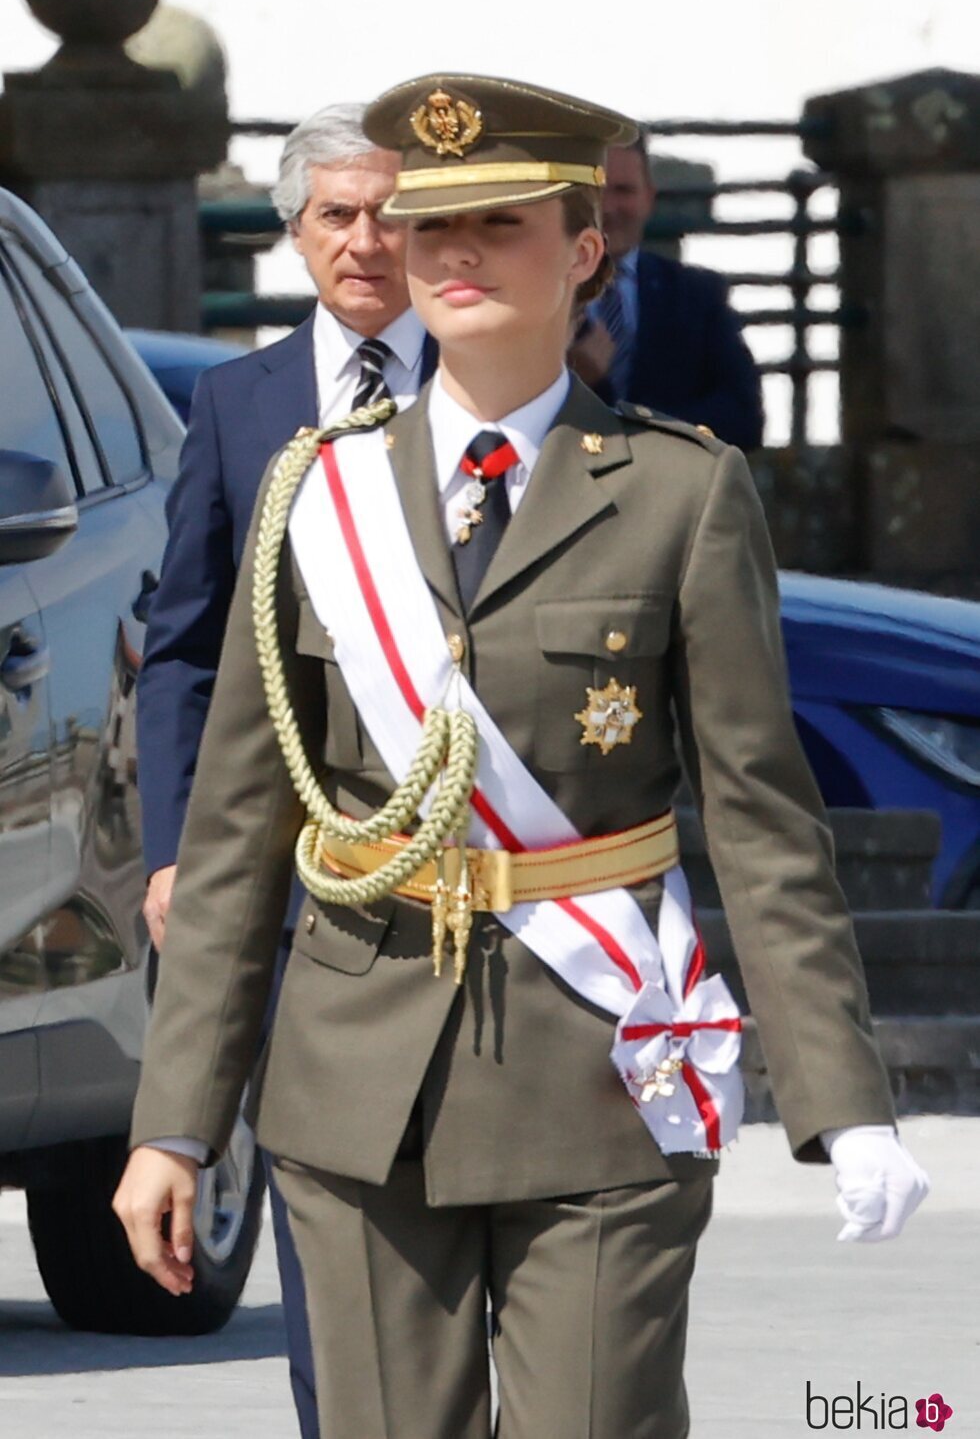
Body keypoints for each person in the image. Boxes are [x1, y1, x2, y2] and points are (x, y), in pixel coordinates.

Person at [115, 74, 928, 1439]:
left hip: (601, 1077)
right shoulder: (317, 493)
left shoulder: (680, 490)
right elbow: (243, 831)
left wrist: (845, 1105)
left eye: (498, 223)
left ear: (586, 248)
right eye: (432, 230)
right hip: (356, 1083)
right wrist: (173, 1121)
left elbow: (762, 823)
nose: (455, 258)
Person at [134, 101, 436, 1439]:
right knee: (326, 1193)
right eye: (338, 215)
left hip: (476, 849)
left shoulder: (496, 385)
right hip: (300, 865)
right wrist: (172, 851)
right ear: (292, 233)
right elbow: (187, 647)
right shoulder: (237, 402)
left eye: (394, 213)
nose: (367, 242)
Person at [569, 136, 765, 452]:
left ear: (649, 199)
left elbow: (743, 417)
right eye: (597, 192)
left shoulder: (697, 295)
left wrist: (639, 436)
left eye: (624, 191)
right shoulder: (540, 291)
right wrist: (570, 377)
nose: (608, 208)